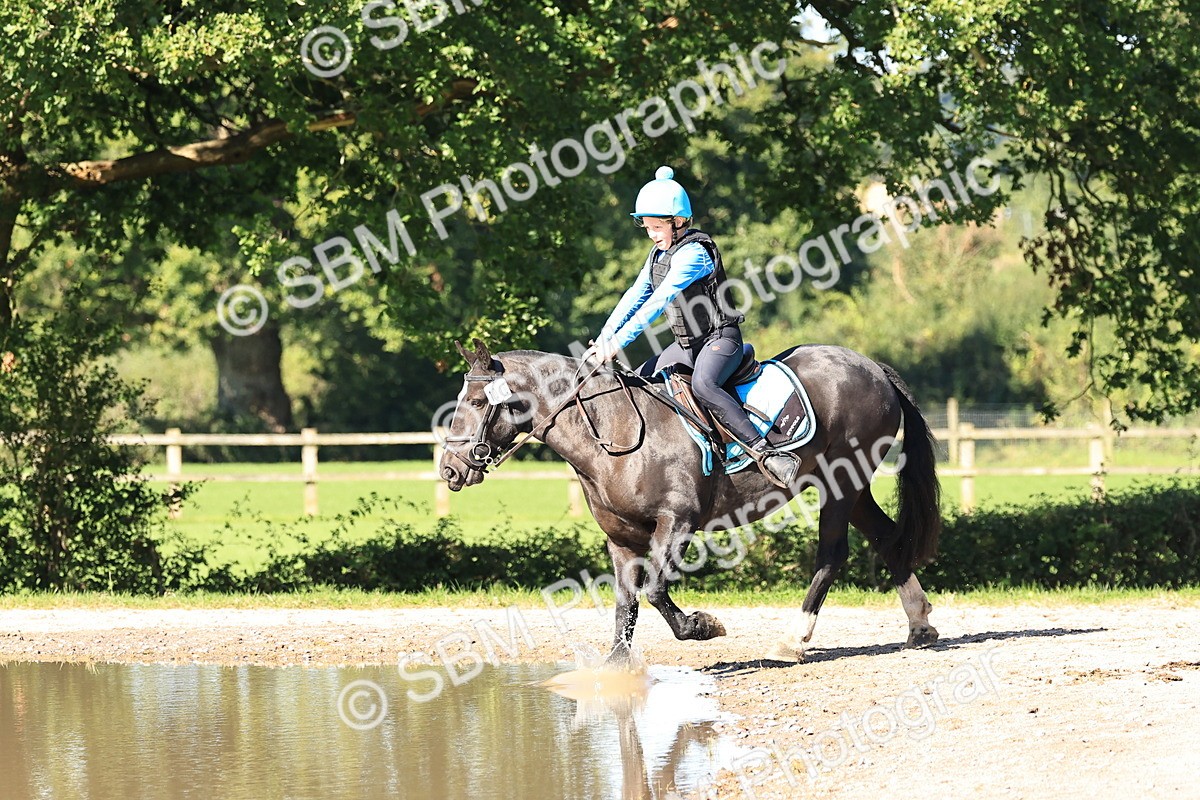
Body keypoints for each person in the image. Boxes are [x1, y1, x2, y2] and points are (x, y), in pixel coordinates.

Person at [587, 166, 798, 487]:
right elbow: (634, 295)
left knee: (704, 385)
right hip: (688, 346)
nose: (652, 234)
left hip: (721, 340)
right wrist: (604, 338)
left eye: (657, 227)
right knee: (640, 381)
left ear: (678, 221)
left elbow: (657, 301)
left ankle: (766, 453)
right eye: (647, 227)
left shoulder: (695, 254)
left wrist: (618, 344)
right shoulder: (657, 255)